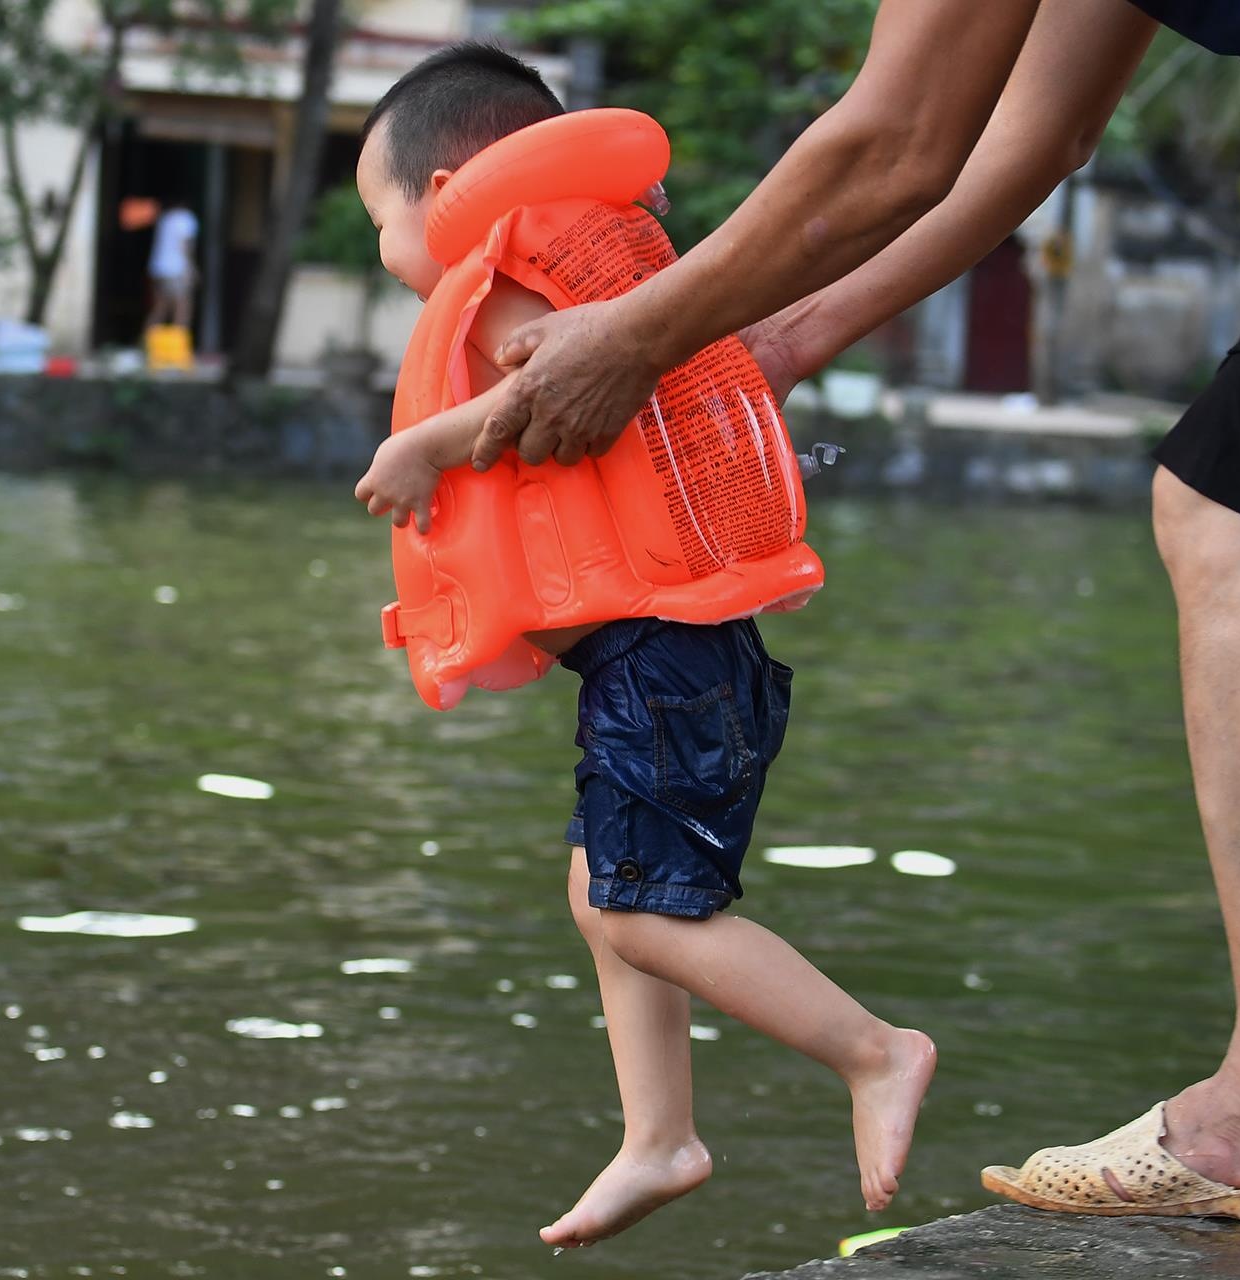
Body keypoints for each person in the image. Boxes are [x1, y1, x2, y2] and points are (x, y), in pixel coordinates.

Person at [425, 0, 1240, 1224]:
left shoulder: (515, 285)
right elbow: (1035, 135)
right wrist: (786, 336)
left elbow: (898, 136)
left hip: (674, 662)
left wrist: (637, 338)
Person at [350, 43, 938, 1250]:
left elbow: (525, 393)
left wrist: (427, 447)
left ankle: (874, 1049)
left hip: (670, 660)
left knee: (639, 907)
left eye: (375, 216)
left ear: (451, 183)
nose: (377, 246)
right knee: (600, 889)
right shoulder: (575, 247)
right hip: (671, 653)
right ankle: (659, 1137)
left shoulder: (512, 268)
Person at [144, 197, 198, 335]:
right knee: (183, 307)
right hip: (176, 269)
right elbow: (184, 245)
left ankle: (147, 343)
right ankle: (178, 348)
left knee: (160, 308)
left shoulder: (165, 218)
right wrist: (190, 267)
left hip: (157, 268)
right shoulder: (186, 218)